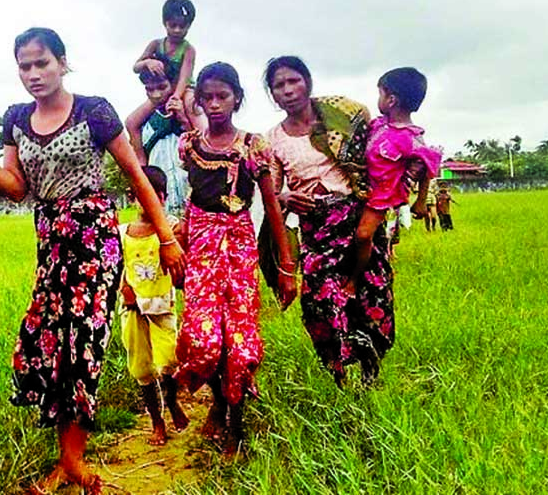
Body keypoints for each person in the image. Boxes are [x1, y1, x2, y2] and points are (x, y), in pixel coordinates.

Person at [0, 27, 185, 494]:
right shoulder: (15, 119)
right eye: (25, 66)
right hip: (50, 240)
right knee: (50, 344)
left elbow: (136, 176)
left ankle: (73, 460)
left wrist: (167, 238)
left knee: (80, 342)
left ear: (62, 62)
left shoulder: (94, 111)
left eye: (42, 63)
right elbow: (14, 187)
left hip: (94, 239)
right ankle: (66, 460)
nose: (33, 74)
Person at [175, 62, 297, 455]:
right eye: (206, 97)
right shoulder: (189, 144)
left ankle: (236, 423)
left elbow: (273, 208)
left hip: (240, 243)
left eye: (222, 96)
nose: (213, 104)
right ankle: (216, 400)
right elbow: (189, 200)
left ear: (237, 99)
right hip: (201, 245)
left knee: (240, 343)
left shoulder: (253, 145)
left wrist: (286, 266)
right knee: (204, 337)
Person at [264, 55, 393, 388]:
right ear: (273, 95)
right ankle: (339, 376)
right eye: (279, 85)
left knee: (370, 295)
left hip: (357, 220)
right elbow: (271, 193)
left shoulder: (344, 116)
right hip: (316, 229)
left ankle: (370, 373)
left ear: (308, 82)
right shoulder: (273, 139)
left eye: (294, 80)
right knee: (320, 303)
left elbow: (379, 155)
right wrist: (285, 198)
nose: (288, 90)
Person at [348, 67, 441, 327]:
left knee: (363, 235)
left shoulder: (411, 138)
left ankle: (354, 281)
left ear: (391, 99)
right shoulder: (377, 125)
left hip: (383, 193)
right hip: (361, 187)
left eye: (380, 92)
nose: (377, 98)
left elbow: (429, 166)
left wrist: (421, 201)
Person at [119, 165, 190, 446]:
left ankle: (172, 403)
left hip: (162, 308)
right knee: (142, 370)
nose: (146, 202)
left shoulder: (170, 230)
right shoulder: (123, 231)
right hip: (132, 309)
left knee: (169, 363)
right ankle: (156, 421)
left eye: (153, 196)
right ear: (132, 196)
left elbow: (182, 262)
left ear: (162, 197)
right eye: (140, 195)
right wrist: (124, 289)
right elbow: (117, 267)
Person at [125, 65, 197, 212]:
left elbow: (202, 147)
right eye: (149, 89)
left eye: (162, 87)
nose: (156, 94)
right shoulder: (143, 123)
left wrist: (183, 119)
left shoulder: (193, 111)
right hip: (162, 197)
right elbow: (142, 164)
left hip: (190, 190)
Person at [132, 0, 199, 124]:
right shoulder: (156, 44)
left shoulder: (188, 50)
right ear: (164, 23)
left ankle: (203, 136)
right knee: (132, 122)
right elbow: (135, 67)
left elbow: (184, 77)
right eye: (173, 25)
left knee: (193, 109)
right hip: (161, 88)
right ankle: (136, 145)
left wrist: (176, 97)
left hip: (184, 89)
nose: (177, 30)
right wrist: (148, 62)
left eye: (182, 26)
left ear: (189, 25)